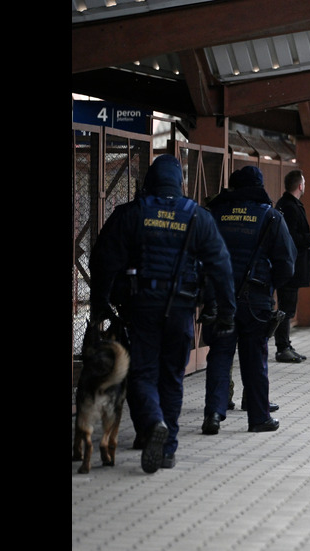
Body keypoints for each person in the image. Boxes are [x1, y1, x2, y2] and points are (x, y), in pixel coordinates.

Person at [89, 154, 237, 473]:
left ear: (150, 182)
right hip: (182, 308)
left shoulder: (131, 213)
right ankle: (168, 448)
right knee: (172, 376)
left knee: (142, 373)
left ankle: (153, 423)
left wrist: (100, 305)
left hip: (140, 307)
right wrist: (225, 312)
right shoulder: (197, 216)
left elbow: (104, 260)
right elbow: (221, 266)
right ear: (181, 183)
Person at [201, 166, 296, 436]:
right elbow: (286, 264)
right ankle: (258, 418)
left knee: (219, 355)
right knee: (254, 359)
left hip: (220, 298)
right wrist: (268, 287)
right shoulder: (271, 217)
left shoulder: (214, 214)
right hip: (256, 299)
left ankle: (213, 415)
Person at [273, 169, 310, 363]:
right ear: (300, 186)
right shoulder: (291, 207)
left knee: (287, 306)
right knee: (286, 307)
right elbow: (292, 238)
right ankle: (282, 347)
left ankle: (285, 344)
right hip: (289, 265)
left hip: (286, 264)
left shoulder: (284, 204)